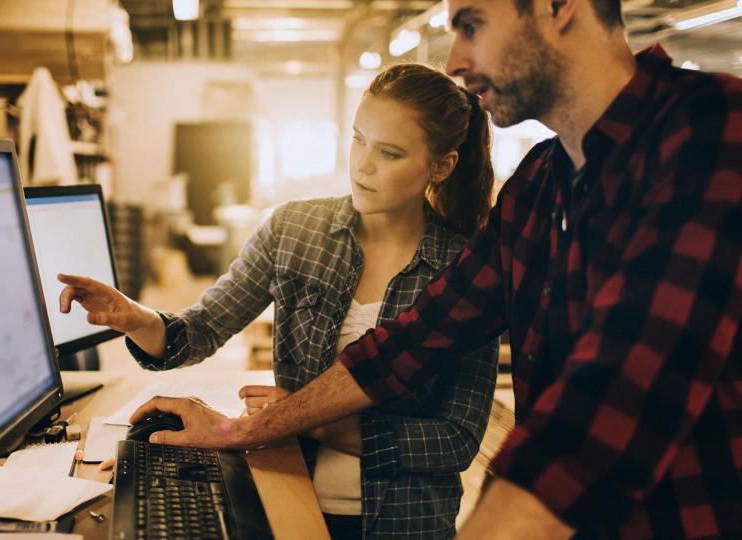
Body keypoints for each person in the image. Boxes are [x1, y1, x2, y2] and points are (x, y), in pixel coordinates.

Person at [127, 0, 742, 538]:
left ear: (560, 5)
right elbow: (410, 344)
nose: (454, 60)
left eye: (472, 24)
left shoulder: (711, 134)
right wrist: (237, 432)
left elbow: (604, 417)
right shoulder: (539, 186)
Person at [59, 63, 499, 538]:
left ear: (441, 165)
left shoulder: (467, 269)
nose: (362, 164)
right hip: (286, 490)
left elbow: (456, 440)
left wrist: (306, 420)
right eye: (357, 139)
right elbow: (201, 329)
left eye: (388, 153)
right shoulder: (294, 230)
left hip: (402, 523)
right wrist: (135, 317)